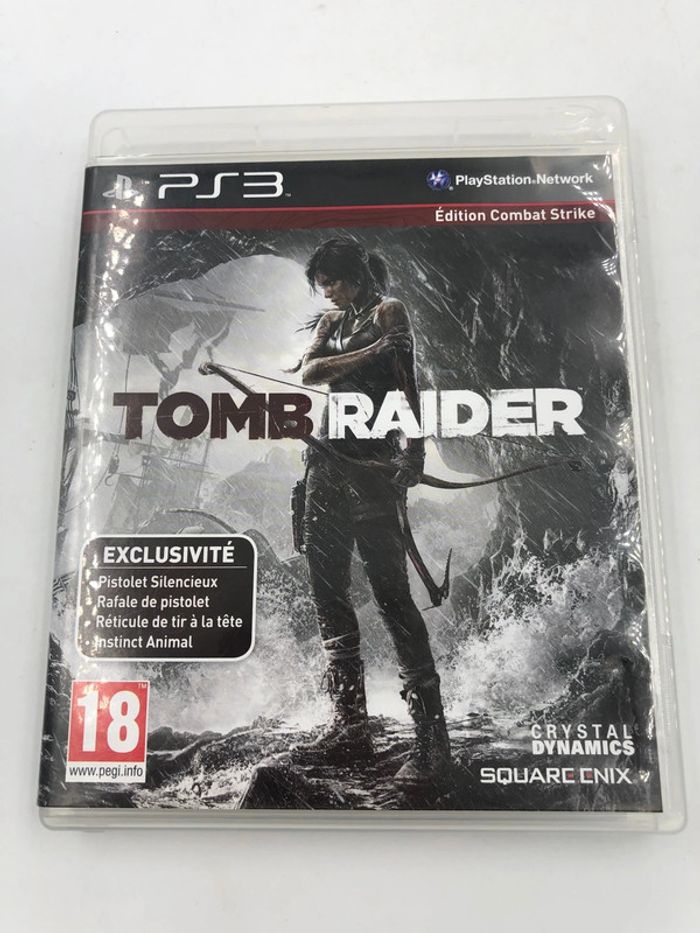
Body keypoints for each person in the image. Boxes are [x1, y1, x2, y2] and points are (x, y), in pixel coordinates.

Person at [291, 237, 451, 785]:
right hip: (324, 466)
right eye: (322, 285)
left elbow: (407, 384)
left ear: (355, 276)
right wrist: (370, 353)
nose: (327, 292)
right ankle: (350, 726)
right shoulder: (330, 322)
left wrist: (415, 452)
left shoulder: (389, 311)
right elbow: (311, 373)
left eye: (332, 281)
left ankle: (432, 738)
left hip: (373, 467)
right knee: (328, 592)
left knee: (391, 595)